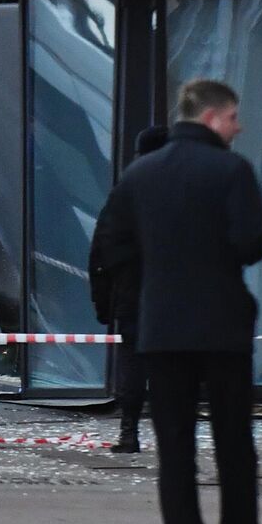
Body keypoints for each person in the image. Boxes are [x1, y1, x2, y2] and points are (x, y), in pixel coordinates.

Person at [97, 79, 262, 524]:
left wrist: (154, 276)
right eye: (234, 117)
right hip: (222, 324)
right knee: (234, 444)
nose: (240, 126)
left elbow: (112, 244)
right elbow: (252, 244)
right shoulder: (232, 170)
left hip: (162, 327)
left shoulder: (140, 175)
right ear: (212, 118)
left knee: (174, 446)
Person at [89, 124, 169, 454]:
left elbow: (101, 252)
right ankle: (173, 438)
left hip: (132, 297)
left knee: (133, 364)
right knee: (172, 365)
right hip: (173, 297)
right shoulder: (181, 190)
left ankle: (129, 431)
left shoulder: (124, 193)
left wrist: (103, 303)